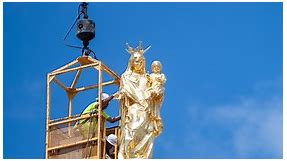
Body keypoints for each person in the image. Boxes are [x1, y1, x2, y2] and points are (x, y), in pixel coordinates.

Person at [116, 43, 157, 159]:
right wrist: (141, 100)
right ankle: (128, 154)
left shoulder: (147, 77)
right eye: (136, 61)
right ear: (132, 63)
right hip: (134, 108)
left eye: (141, 61)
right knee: (132, 130)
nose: (138, 63)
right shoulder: (126, 76)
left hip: (146, 110)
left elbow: (153, 92)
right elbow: (128, 91)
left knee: (147, 133)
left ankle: (141, 156)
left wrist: (156, 93)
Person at [148, 60, 166, 136]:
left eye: (158, 67)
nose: (156, 68)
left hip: (158, 90)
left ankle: (155, 119)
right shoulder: (151, 75)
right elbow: (148, 82)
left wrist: (160, 80)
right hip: (152, 89)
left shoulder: (161, 75)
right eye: (154, 67)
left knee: (156, 106)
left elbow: (163, 81)